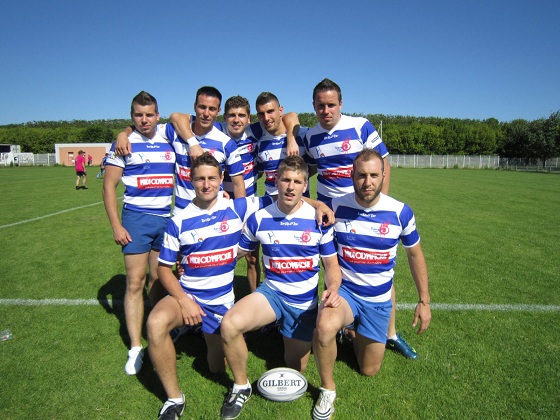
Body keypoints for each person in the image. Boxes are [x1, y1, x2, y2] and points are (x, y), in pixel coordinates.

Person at [147, 153, 275, 419]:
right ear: (190, 180)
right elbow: (163, 270)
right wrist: (183, 299)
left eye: (212, 178)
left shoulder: (237, 207)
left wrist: (317, 206)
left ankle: (238, 381)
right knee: (155, 323)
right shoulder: (178, 220)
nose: (206, 184)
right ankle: (174, 399)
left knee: (216, 368)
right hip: (188, 296)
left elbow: (284, 198)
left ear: (221, 181)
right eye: (200, 179)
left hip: (220, 301)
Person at [311, 149, 431, 420]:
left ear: (383, 176)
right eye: (361, 175)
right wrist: (317, 204)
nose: (367, 182)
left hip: (378, 302)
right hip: (346, 293)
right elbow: (294, 200)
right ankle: (328, 389)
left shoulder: (400, 212)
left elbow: (415, 255)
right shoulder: (337, 205)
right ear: (352, 176)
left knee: (369, 370)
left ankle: (352, 332)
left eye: (374, 175)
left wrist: (424, 301)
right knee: (324, 326)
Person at [219, 155, 342, 420]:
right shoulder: (259, 217)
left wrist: (332, 287)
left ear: (304, 186)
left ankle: (298, 338)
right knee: (229, 324)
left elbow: (332, 265)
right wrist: (196, 261)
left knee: (294, 367)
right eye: (285, 179)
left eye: (297, 181)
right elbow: (237, 252)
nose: (290, 186)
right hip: (271, 294)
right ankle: (241, 387)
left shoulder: (318, 220)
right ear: (275, 181)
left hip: (304, 303)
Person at [305, 78, 416, 359]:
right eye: (321, 106)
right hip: (332, 215)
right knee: (334, 268)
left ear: (341, 104)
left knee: (380, 273)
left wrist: (379, 206)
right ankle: (342, 323)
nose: (326, 110)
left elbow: (383, 163)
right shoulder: (310, 137)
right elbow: (304, 172)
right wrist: (316, 205)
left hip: (364, 205)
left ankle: (390, 333)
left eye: (331, 105)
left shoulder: (360, 125)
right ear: (314, 107)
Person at [102, 91, 176, 376]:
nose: (144, 120)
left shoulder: (169, 137)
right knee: (135, 281)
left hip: (165, 219)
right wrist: (116, 225)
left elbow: (187, 121)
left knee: (159, 278)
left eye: (149, 115)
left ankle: (157, 333)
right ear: (131, 117)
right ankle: (135, 347)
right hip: (136, 219)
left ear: (158, 115)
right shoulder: (124, 142)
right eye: (137, 115)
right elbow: (109, 186)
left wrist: (125, 130)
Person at [117, 86, 246, 215]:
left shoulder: (227, 143)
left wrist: (241, 216)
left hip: (215, 215)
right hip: (182, 215)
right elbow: (146, 125)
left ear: (218, 111)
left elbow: (238, 184)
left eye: (212, 109)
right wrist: (123, 133)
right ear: (195, 106)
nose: (206, 113)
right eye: (202, 107)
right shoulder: (175, 132)